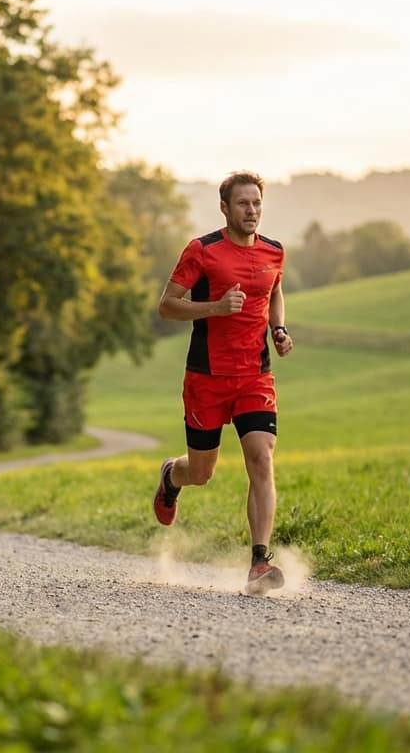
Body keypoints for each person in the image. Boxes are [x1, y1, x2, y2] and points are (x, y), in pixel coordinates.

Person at [153, 170, 295, 596]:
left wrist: (280, 329)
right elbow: (167, 306)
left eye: (256, 204)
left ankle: (258, 562)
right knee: (202, 471)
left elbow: (273, 292)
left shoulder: (274, 252)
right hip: (207, 377)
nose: (251, 211)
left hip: (255, 374)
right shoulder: (202, 251)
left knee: (261, 458)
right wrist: (215, 307)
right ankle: (171, 477)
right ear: (225, 208)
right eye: (242, 204)